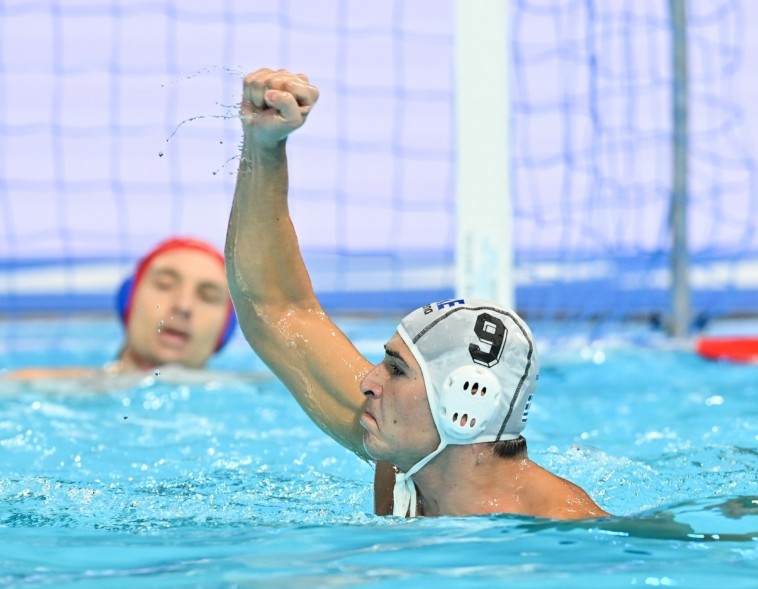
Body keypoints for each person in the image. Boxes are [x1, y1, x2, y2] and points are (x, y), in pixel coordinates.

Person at [225, 67, 609, 519]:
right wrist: (265, 147)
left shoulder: (559, 527)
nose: (368, 382)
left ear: (465, 403)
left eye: (397, 369)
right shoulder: (404, 456)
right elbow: (277, 309)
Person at [4, 237, 237, 381]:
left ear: (225, 329)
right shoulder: (34, 386)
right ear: (129, 301)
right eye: (164, 285)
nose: (183, 306)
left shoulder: (245, 393)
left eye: (208, 297)